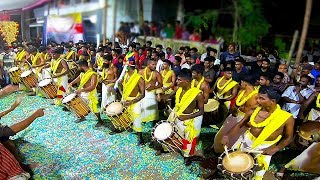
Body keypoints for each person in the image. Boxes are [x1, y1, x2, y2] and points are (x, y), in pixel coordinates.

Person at [221, 86, 295, 179]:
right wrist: (227, 136)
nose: (258, 101)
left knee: (256, 175)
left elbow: (288, 138)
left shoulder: (286, 118)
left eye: (262, 98)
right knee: (236, 171)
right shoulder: (253, 110)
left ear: (273, 101)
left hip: (263, 150)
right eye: (258, 97)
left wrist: (276, 148)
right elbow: (240, 124)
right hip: (245, 143)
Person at [156, 68, 204, 165]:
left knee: (188, 139)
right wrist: (160, 97)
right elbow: (168, 97)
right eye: (177, 79)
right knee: (169, 131)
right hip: (176, 114)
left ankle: (187, 156)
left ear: (187, 81)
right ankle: (167, 147)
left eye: (179, 80)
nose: (177, 81)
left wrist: (187, 117)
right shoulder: (178, 89)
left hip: (189, 118)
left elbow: (201, 111)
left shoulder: (197, 94)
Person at [213, 76, 259, 153]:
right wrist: (233, 109)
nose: (240, 84)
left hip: (244, 120)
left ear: (244, 83)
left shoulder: (256, 97)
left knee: (236, 138)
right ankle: (218, 149)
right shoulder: (241, 91)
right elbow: (236, 104)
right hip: (235, 115)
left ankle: (229, 153)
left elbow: (254, 112)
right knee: (223, 132)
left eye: (241, 82)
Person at [117, 61, 145, 144]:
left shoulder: (139, 78)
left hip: (135, 101)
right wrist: (122, 94)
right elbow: (120, 85)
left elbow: (142, 94)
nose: (123, 67)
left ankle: (140, 138)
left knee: (137, 119)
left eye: (125, 66)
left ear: (129, 67)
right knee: (126, 115)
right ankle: (128, 127)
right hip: (125, 100)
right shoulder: (125, 75)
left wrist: (131, 102)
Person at [69, 60, 103, 127]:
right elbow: (78, 79)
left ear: (82, 66)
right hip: (83, 92)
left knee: (94, 109)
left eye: (78, 66)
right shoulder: (82, 73)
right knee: (80, 105)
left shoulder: (93, 74)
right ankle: (82, 117)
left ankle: (100, 120)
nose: (77, 68)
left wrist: (81, 90)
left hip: (91, 94)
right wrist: (71, 83)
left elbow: (92, 87)